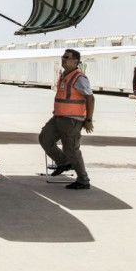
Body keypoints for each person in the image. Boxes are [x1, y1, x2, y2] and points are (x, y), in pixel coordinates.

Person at [39, 49, 95, 190]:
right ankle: (63, 162)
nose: (63, 59)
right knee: (45, 139)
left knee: (71, 149)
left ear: (75, 61)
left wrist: (88, 120)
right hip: (58, 117)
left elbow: (90, 98)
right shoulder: (65, 75)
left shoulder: (79, 78)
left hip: (72, 120)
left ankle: (83, 180)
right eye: (63, 57)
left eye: (66, 57)